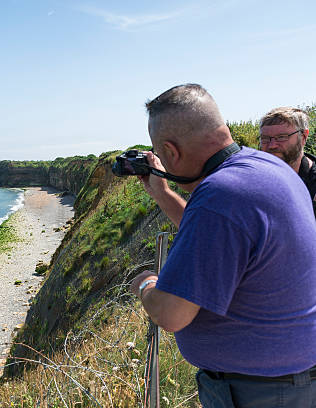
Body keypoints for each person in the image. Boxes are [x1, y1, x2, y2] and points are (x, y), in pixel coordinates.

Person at [129, 84, 316, 407]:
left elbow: (172, 315)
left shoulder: (221, 198)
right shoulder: (266, 168)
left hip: (262, 391)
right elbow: (229, 236)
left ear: (170, 151)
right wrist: (161, 192)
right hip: (289, 378)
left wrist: (146, 284)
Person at [259, 106, 316, 216]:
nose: (272, 145)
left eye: (281, 137)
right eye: (265, 138)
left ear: (303, 136)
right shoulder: (254, 180)